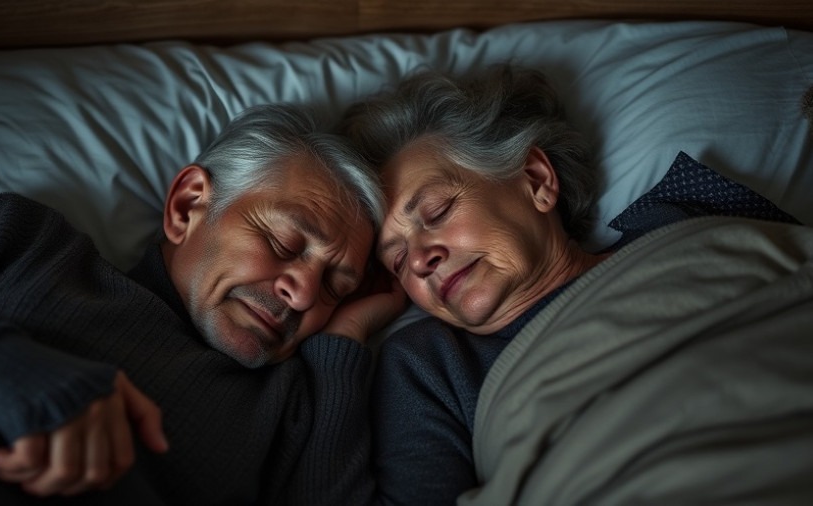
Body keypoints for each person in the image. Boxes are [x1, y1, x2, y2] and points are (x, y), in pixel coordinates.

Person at [340, 65, 813, 504]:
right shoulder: (431, 363)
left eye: (438, 212)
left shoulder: (686, 216)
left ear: (536, 179)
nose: (421, 259)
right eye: (397, 260)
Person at [0, 103, 407, 505]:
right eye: (282, 244)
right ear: (187, 206)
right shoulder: (21, 243)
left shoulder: (291, 404)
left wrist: (344, 340)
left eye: (333, 288)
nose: (301, 294)